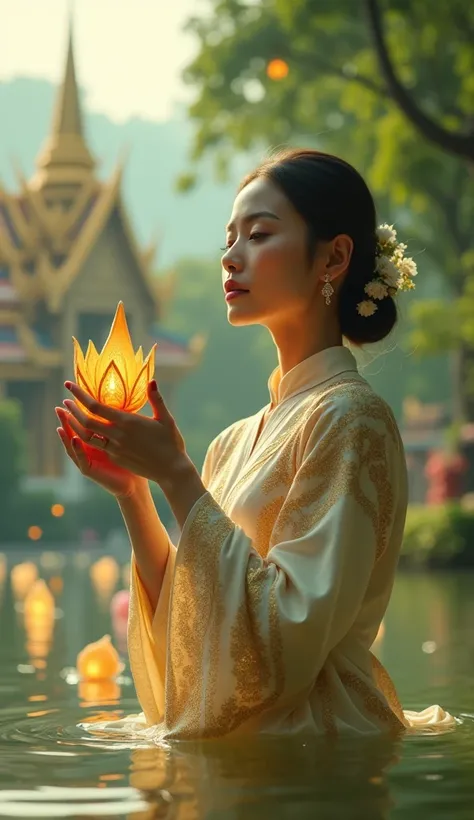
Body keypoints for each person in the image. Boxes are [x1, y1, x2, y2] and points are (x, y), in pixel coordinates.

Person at [56, 149, 455, 740]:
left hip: (321, 745)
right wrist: (136, 494)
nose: (230, 257)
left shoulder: (351, 417)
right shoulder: (231, 443)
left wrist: (177, 476)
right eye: (228, 238)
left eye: (259, 234)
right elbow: (193, 637)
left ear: (334, 257)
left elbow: (291, 638)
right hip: (244, 746)